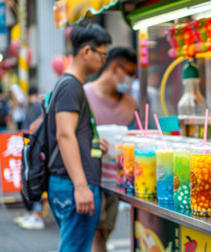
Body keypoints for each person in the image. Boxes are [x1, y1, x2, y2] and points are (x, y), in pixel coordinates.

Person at [46, 22, 111, 252]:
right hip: (73, 186)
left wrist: (93, 144)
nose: (104, 61)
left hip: (69, 184)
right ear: (86, 52)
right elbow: (64, 135)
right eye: (102, 54)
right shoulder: (71, 86)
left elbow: (71, 133)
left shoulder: (69, 85)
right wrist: (81, 186)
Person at [84, 47, 138, 252]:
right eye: (130, 73)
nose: (131, 80)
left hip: (117, 182)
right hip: (90, 179)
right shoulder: (84, 96)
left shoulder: (130, 104)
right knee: (95, 235)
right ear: (116, 67)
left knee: (104, 234)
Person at [14, 86, 46, 230]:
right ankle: (34, 213)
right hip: (37, 149)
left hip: (36, 150)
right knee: (34, 181)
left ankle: (36, 215)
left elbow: (32, 127)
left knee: (35, 181)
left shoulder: (36, 106)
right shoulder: (41, 105)